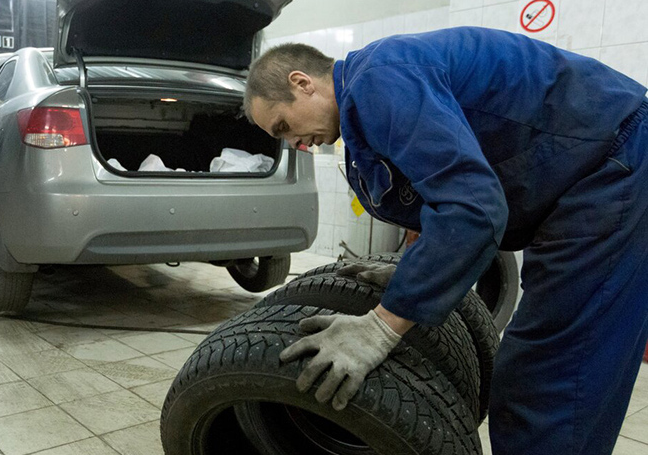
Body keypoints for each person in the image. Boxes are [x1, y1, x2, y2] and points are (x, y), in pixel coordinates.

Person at [243, 26, 648, 455]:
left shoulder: (378, 81)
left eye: (283, 126)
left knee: (548, 379)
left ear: (302, 83)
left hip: (615, 162)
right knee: (541, 374)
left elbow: (474, 210)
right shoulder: (373, 90)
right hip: (594, 169)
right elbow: (444, 195)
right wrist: (416, 271)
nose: (295, 144)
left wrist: (380, 328)